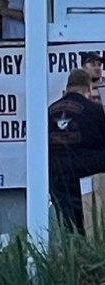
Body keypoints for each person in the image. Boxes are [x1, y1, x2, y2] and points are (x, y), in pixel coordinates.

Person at [48, 69, 105, 234]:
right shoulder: (95, 110)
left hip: (59, 175)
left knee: (68, 226)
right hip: (90, 176)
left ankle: (72, 254)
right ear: (87, 87)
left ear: (67, 87)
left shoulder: (51, 110)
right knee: (93, 225)